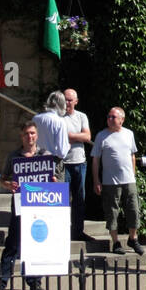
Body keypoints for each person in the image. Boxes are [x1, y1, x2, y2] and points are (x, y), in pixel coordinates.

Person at [0, 121, 63, 290]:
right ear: (21, 136)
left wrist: (54, 182)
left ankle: (34, 281)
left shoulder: (45, 155)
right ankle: (0, 282)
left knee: (36, 243)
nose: (29, 137)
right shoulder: (14, 156)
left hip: (39, 204)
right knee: (13, 243)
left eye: (32, 133)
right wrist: (9, 185)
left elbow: (57, 179)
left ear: (37, 135)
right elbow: (2, 179)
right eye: (26, 134)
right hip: (19, 203)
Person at [92, 106, 144, 255]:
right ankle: (115, 242)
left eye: (113, 117)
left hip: (129, 180)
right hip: (110, 182)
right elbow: (96, 160)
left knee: (133, 209)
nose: (110, 119)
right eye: (109, 116)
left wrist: (133, 175)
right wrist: (96, 180)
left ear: (122, 119)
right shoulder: (101, 136)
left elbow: (132, 155)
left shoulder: (129, 134)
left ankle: (133, 238)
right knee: (112, 212)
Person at [61, 89, 92, 241]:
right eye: (65, 99)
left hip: (79, 162)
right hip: (63, 163)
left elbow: (87, 136)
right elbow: (58, 137)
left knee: (80, 198)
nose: (66, 103)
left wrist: (68, 137)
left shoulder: (81, 116)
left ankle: (78, 231)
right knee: (63, 199)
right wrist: (77, 137)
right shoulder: (58, 117)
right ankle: (62, 230)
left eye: (69, 100)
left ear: (76, 101)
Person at [31, 90, 71, 163]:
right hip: (52, 163)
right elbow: (62, 152)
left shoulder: (36, 118)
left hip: (36, 162)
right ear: (62, 105)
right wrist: (68, 146)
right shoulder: (60, 121)